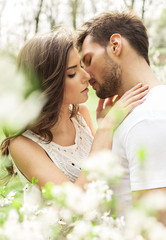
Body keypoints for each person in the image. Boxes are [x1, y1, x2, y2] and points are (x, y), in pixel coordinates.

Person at [0, 28, 148, 190]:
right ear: (48, 83)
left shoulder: (80, 114)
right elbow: (74, 200)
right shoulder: (22, 144)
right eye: (72, 73)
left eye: (81, 66)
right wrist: (106, 128)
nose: (86, 76)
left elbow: (101, 173)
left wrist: (108, 129)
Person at [76, 11, 166, 210]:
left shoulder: (148, 117)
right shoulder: (134, 114)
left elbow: (154, 225)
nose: (85, 74)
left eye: (88, 60)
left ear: (115, 45)